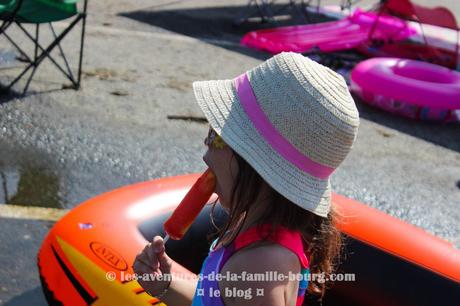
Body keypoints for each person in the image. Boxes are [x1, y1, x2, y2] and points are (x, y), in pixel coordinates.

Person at [133, 52, 360, 305]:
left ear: (255, 165)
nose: (206, 151)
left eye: (216, 137)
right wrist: (166, 285)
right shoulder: (254, 238)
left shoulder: (258, 268)